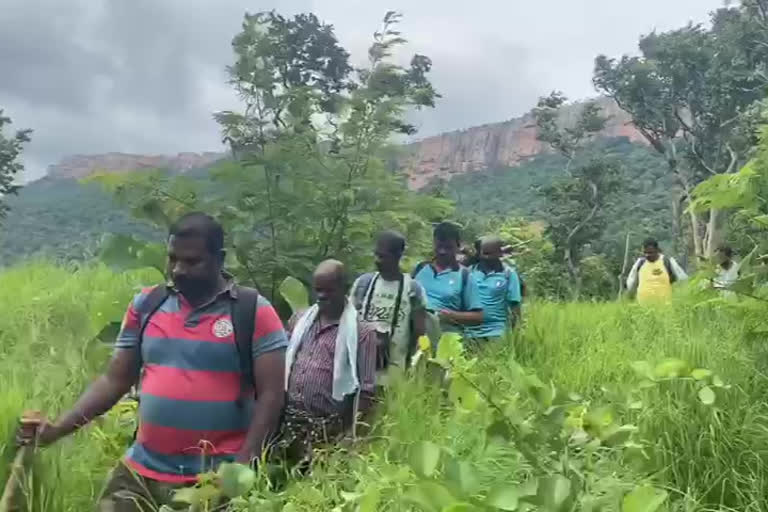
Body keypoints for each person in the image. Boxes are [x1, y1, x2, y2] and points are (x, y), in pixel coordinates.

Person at [18, 213, 288, 511]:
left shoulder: (252, 311)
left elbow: (272, 395)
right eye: (172, 259)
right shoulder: (147, 305)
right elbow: (114, 380)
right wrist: (58, 430)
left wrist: (242, 467)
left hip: (215, 477)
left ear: (219, 259)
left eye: (192, 261)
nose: (178, 270)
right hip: (142, 471)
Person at [281, 260, 377, 467]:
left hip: (327, 431)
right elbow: (283, 361)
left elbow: (366, 391)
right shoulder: (300, 320)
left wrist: (352, 435)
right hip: (288, 424)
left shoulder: (362, 332)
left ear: (344, 288)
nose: (322, 296)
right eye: (318, 290)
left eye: (329, 290)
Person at [351, 231, 428, 380]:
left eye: (383, 256)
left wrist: (414, 367)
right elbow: (349, 320)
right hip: (360, 368)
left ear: (397, 256)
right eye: (376, 255)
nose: (377, 260)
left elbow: (419, 332)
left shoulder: (413, 289)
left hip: (395, 371)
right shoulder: (363, 284)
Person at [412, 222, 483, 345]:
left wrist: (452, 315)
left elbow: (478, 317)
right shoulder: (421, 268)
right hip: (415, 337)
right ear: (434, 243)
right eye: (439, 247)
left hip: (445, 340)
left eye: (448, 247)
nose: (443, 252)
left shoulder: (464, 276)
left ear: (458, 246)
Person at [464, 236, 522, 347]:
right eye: (484, 253)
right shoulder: (468, 272)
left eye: (490, 253)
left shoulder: (508, 274)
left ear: (500, 253)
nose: (486, 257)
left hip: (497, 332)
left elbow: (515, 306)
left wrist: (515, 334)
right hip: (469, 333)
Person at [626, 238, 688, 303]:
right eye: (645, 252)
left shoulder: (667, 261)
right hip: (643, 307)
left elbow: (682, 279)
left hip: (665, 305)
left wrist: (681, 296)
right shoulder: (640, 263)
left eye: (650, 252)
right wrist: (631, 297)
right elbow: (631, 283)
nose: (647, 255)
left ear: (657, 250)